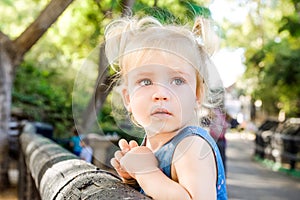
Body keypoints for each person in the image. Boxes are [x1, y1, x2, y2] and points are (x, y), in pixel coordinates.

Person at [106, 15, 227, 200]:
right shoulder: (152, 145)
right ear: (128, 98)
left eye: (177, 80)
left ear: (197, 95)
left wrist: (145, 171)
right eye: (146, 81)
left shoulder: (191, 145)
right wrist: (134, 178)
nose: (161, 94)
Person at [209, 108, 229, 175]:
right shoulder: (221, 117)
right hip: (220, 140)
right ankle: (222, 174)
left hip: (216, 140)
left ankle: (217, 174)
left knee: (216, 159)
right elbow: (226, 126)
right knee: (221, 159)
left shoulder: (215, 118)